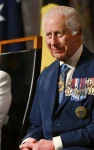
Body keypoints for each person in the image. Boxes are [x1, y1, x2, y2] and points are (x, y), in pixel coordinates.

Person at [20, 6, 94, 150]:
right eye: (48, 35)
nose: (53, 42)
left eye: (58, 34)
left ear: (77, 33)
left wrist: (55, 144)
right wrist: (29, 142)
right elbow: (36, 124)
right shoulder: (46, 75)